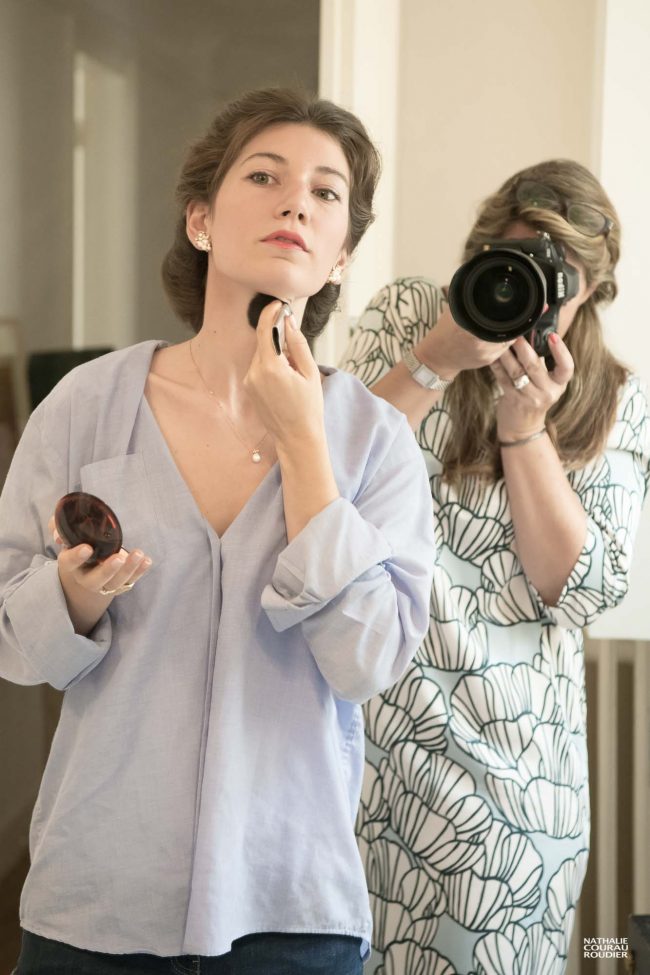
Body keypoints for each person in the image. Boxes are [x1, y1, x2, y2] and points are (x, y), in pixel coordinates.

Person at [0, 87, 436, 974]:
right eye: (266, 176)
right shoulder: (88, 405)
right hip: (98, 900)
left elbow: (370, 661)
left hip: (289, 905)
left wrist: (306, 447)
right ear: (200, 220)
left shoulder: (373, 440)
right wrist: (74, 597)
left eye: (325, 193)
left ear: (341, 254)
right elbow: (18, 640)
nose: (295, 203)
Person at [341, 159, 650, 975]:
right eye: (514, 262)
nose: (535, 292)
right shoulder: (413, 313)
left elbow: (579, 588)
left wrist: (525, 426)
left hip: (514, 781)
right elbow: (328, 477)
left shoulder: (617, 397)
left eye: (564, 277)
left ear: (596, 289)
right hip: (368, 757)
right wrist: (440, 357)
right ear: (480, 254)